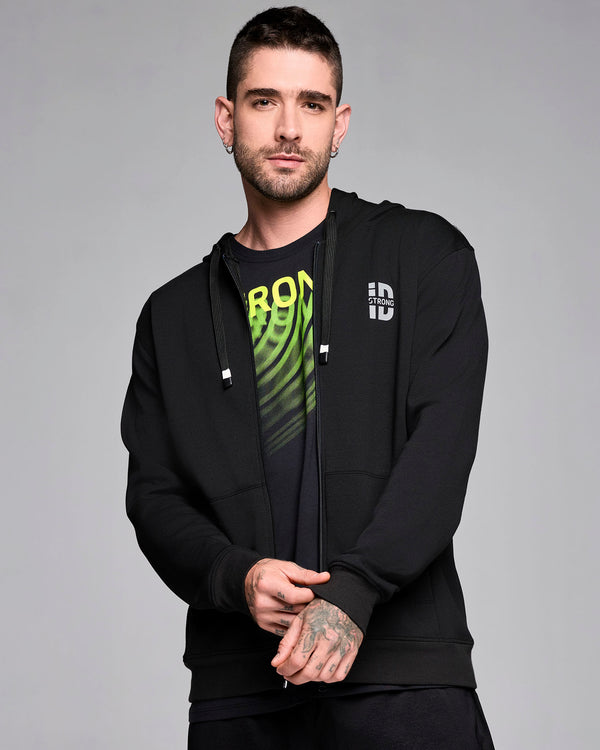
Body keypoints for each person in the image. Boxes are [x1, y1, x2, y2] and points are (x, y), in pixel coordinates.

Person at [121, 6, 495, 748]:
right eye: (265, 101)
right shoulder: (172, 316)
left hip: (402, 679)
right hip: (242, 694)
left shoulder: (422, 256)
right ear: (226, 118)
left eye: (312, 104)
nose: (289, 128)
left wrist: (357, 590)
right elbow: (154, 497)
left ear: (339, 124)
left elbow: (441, 450)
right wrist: (237, 576)